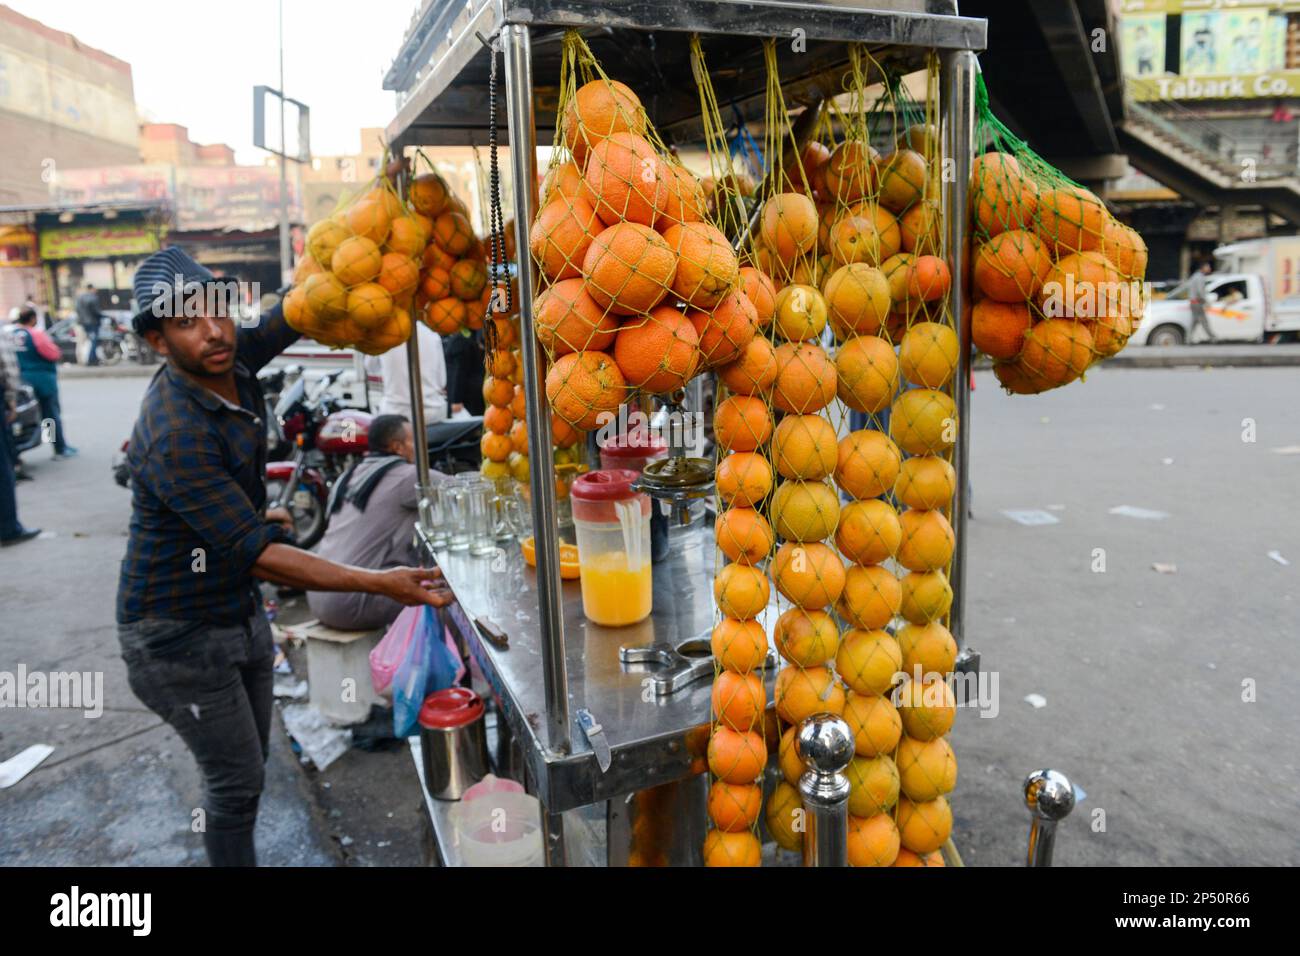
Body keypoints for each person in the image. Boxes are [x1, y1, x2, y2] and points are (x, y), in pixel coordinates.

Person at [116, 247, 454, 867]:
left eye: (214, 308)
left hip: (236, 612)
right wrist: (383, 583)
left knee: (250, 767)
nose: (212, 329)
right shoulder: (174, 431)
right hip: (174, 636)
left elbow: (307, 304)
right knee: (235, 782)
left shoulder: (232, 351)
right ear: (158, 341)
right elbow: (258, 557)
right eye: (186, 321)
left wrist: (378, 221)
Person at [307, 414, 439, 630]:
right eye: (413, 440)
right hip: (350, 604)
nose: (419, 446)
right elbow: (462, 491)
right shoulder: (406, 477)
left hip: (318, 594)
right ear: (398, 447)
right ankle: (449, 663)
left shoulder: (351, 474)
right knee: (447, 595)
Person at [12, 307, 76, 459]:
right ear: (33, 319)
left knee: (29, 413)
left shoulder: (12, 335)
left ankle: (34, 443)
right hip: (43, 379)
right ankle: (58, 447)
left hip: (22, 380)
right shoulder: (36, 334)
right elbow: (53, 353)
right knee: (50, 414)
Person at [0, 324, 40, 546]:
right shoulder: (36, 335)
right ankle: (58, 446)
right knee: (51, 421)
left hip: (34, 382)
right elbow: (9, 367)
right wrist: (11, 397)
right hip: (43, 385)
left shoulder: (19, 334)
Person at [365, 320, 448, 423]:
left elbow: (370, 367)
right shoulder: (432, 336)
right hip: (433, 413)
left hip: (395, 412)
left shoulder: (382, 337)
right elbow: (441, 381)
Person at [443, 326, 485, 416]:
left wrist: (456, 400)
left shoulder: (459, 340)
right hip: (475, 393)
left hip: (466, 399)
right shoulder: (470, 337)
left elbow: (458, 371)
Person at [75, 283, 104, 366]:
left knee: (89, 341)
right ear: (92, 288)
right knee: (94, 341)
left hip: (83, 323)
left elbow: (77, 310)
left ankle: (91, 358)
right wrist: (105, 316)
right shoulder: (93, 297)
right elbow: (97, 312)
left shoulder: (80, 298)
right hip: (93, 323)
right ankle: (92, 359)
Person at [1187, 260, 1216, 344]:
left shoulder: (1195, 276)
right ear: (1203, 267)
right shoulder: (1200, 277)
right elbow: (1200, 291)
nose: (1209, 268)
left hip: (1193, 302)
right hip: (1197, 303)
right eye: (1208, 266)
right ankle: (1213, 338)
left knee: (1194, 322)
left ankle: (1188, 339)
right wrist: (1206, 302)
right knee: (1204, 321)